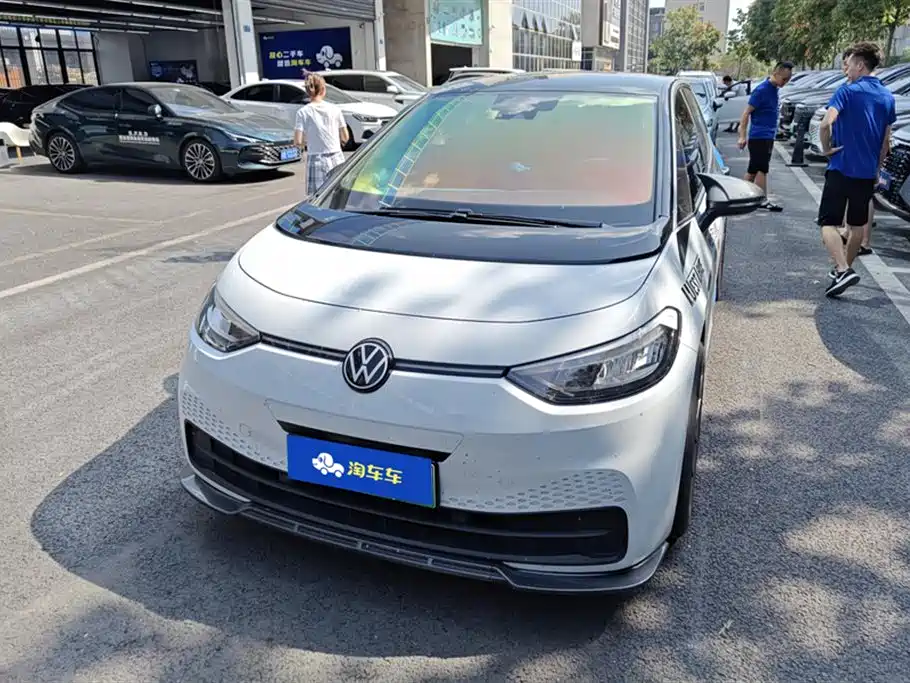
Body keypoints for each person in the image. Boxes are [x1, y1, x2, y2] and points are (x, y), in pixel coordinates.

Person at [818, 41, 895, 297]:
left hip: (841, 167)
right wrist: (877, 169)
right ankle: (845, 270)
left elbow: (825, 124)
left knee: (828, 223)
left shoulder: (847, 91)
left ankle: (842, 269)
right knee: (857, 224)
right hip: (866, 172)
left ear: (860, 65)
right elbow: (885, 141)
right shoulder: (887, 97)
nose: (846, 68)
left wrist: (826, 149)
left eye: (849, 63)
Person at [737, 61, 794, 212]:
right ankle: (761, 200)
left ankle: (741, 197)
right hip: (759, 136)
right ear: (775, 73)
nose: (785, 83)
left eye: (788, 80)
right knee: (761, 168)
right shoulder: (761, 90)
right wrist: (742, 136)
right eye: (784, 79)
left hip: (768, 136)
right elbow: (746, 113)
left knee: (754, 170)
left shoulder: (774, 90)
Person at [293, 73, 349, 195]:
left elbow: (298, 141)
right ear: (323, 89)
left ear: (307, 91)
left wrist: (308, 142)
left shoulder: (302, 112)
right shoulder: (335, 109)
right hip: (336, 156)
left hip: (315, 158)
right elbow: (345, 136)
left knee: (318, 197)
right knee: (338, 194)